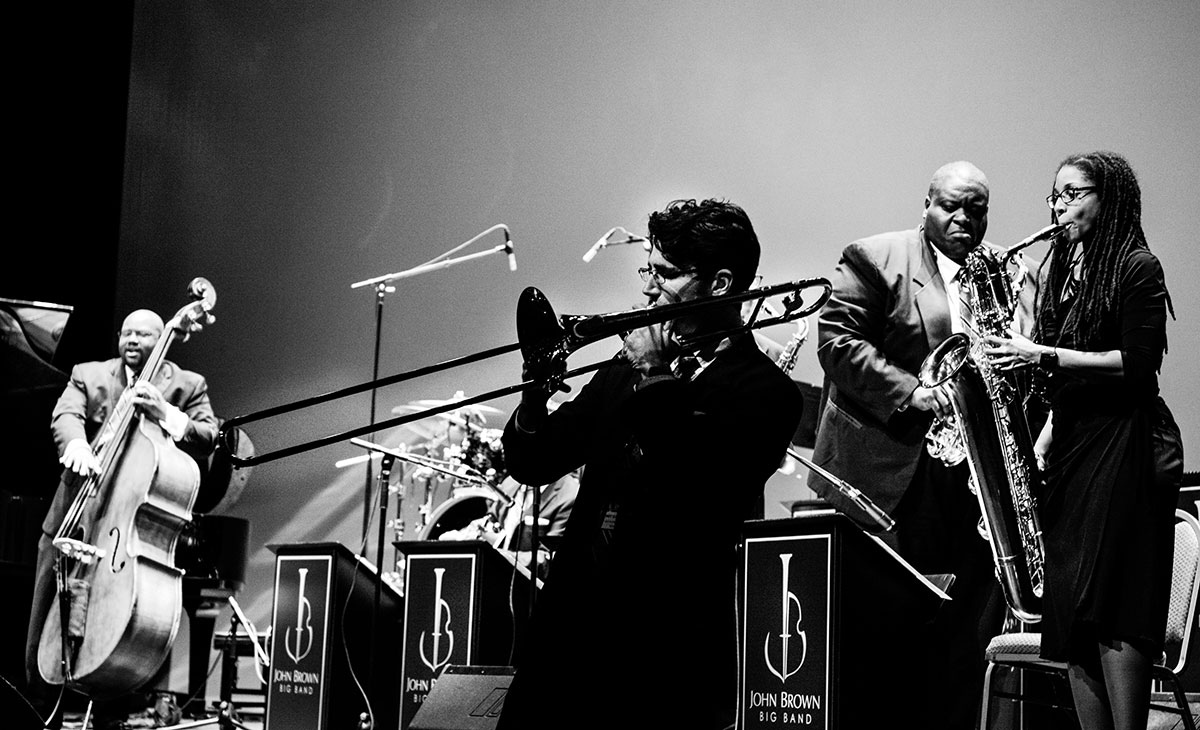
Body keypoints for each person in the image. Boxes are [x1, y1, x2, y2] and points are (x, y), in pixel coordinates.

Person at [495, 198, 802, 730]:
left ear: (721, 284)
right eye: (648, 270)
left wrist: (656, 375)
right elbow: (535, 460)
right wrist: (534, 394)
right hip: (567, 634)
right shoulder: (624, 370)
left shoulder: (767, 392)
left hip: (663, 651)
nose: (648, 289)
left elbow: (694, 485)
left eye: (665, 273)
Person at [807, 161, 1012, 729]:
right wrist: (914, 393)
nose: (964, 218)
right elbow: (837, 343)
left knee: (966, 626)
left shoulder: (1000, 270)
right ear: (926, 205)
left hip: (975, 475)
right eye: (951, 205)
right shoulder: (875, 257)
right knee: (892, 624)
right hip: (894, 467)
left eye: (977, 209)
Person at [984, 151, 1183, 730]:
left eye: (1073, 194)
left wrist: (1041, 353)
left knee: (1115, 605)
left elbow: (1138, 366)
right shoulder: (1063, 273)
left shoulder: (1137, 266)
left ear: (1109, 198)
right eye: (1055, 196)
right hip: (1075, 445)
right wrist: (1045, 438)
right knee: (1073, 610)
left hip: (1127, 444)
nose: (1059, 207)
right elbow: (1063, 383)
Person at [26, 308, 218, 729]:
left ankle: (111, 710)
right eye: (127, 332)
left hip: (127, 528)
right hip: (76, 514)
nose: (132, 339)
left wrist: (166, 413)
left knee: (125, 620)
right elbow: (67, 415)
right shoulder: (90, 373)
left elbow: (208, 437)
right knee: (45, 611)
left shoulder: (187, 385)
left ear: (162, 338)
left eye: (144, 334)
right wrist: (76, 446)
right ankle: (39, 707)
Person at [436, 471, 579, 579]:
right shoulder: (512, 481)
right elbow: (492, 520)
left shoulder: (570, 495)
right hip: (496, 578)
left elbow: (548, 560)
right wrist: (463, 539)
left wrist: (498, 557)